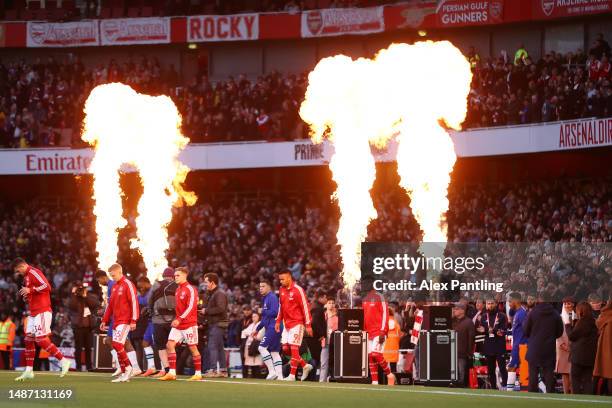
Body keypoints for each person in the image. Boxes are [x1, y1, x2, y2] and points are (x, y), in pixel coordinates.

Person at [13, 258, 71, 381]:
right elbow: (33, 293)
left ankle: (64, 361)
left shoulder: (34, 272)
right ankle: (29, 370)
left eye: (19, 270)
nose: (19, 273)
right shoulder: (26, 277)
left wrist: (31, 290)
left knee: (40, 340)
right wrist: (27, 297)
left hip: (42, 311)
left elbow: (47, 286)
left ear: (23, 266)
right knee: (28, 339)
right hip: (33, 312)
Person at [95, 270, 142, 378]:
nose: (99, 283)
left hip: (122, 319)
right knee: (117, 342)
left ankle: (129, 368)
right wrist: (104, 319)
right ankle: (129, 368)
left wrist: (133, 320)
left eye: (99, 280)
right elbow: (111, 305)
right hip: (115, 319)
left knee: (118, 343)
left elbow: (133, 302)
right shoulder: (114, 285)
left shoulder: (119, 285)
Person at [158, 267, 202, 381]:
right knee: (169, 345)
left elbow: (191, 307)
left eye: (177, 275)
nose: (175, 277)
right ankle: (172, 373)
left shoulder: (191, 289)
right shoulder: (178, 289)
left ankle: (198, 373)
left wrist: (180, 319)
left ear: (184, 275)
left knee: (192, 348)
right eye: (175, 275)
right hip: (179, 323)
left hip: (189, 324)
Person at [275, 269, 313, 381]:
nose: (281, 281)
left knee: (294, 348)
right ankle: (305, 366)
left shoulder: (298, 290)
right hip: (286, 324)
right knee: (286, 349)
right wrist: (278, 321)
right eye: (280, 279)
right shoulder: (281, 290)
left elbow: (305, 307)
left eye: (283, 279)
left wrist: (308, 324)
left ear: (289, 277)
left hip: (297, 323)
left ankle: (292, 376)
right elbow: (281, 307)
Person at [523, 300, 564, 393]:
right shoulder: (555, 314)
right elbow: (560, 332)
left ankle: (532, 398)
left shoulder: (533, 312)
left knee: (533, 374)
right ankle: (550, 397)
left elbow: (525, 330)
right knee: (549, 374)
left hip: (534, 347)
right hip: (549, 348)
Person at [362, 278, 396, 386]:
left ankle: (390, 375)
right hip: (368, 333)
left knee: (376, 354)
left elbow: (385, 315)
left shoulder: (379, 297)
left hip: (379, 332)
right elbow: (364, 317)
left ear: (372, 284)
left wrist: (383, 331)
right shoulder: (364, 299)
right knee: (371, 357)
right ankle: (375, 381)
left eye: (366, 283)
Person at [148, 267, 177, 378]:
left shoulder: (157, 285)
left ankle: (166, 369)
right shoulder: (177, 285)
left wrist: (151, 312)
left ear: (164, 275)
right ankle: (173, 369)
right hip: (174, 321)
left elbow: (150, 300)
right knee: (171, 345)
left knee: (161, 346)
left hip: (158, 320)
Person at [566, 302, 598, 394]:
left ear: (581, 311)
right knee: (587, 380)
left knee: (575, 378)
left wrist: (568, 325)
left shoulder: (583, 322)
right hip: (590, 356)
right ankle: (588, 400)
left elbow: (572, 336)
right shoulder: (593, 322)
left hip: (578, 356)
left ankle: (576, 399)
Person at [201, 272, 229, 378]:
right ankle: (222, 370)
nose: (205, 284)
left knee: (212, 346)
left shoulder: (219, 293)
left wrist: (206, 311)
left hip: (218, 323)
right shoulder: (213, 293)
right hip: (216, 323)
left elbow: (221, 308)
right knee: (219, 347)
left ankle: (212, 370)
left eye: (206, 282)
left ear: (212, 283)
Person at [476, 298, 507, 390]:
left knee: (502, 368)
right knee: (490, 369)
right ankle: (493, 388)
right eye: (488, 303)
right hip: (488, 346)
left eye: (492, 303)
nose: (490, 305)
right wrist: (490, 330)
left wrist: (489, 330)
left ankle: (505, 387)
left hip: (499, 346)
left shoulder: (502, 316)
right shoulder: (484, 317)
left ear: (496, 304)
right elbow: (480, 330)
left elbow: (502, 332)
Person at [254, 279, 283, 380]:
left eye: (263, 286)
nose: (261, 288)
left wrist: (263, 311)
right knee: (274, 352)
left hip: (274, 326)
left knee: (261, 348)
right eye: (260, 286)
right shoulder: (266, 298)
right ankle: (280, 376)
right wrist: (257, 329)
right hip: (273, 326)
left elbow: (275, 312)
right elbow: (265, 318)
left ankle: (272, 372)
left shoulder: (272, 297)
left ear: (269, 287)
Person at [68, 281, 100, 372]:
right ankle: (78, 366)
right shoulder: (74, 298)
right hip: (78, 327)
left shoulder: (89, 297)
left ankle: (89, 366)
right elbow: (71, 305)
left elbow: (95, 304)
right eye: (80, 289)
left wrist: (86, 296)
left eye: (83, 289)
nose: (81, 291)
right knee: (78, 348)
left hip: (89, 328)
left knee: (88, 348)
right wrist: (74, 294)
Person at [134, 276, 156, 377]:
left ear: (147, 283)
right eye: (139, 286)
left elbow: (153, 305)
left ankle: (166, 369)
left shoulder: (152, 292)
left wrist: (147, 308)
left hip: (154, 322)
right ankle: (150, 368)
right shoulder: (140, 296)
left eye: (142, 286)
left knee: (161, 345)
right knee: (143, 343)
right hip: (144, 324)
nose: (140, 288)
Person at [507, 292, 528, 391]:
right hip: (517, 345)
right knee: (513, 368)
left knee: (512, 368)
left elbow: (527, 330)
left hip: (521, 346)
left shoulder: (522, 313)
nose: (508, 303)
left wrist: (523, 345)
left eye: (510, 301)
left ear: (516, 301)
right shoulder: (517, 312)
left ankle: (508, 392)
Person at [452, 303, 475, 387]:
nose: (454, 310)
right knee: (454, 374)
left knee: (462, 374)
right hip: (452, 352)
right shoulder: (453, 321)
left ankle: (463, 386)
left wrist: (469, 353)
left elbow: (471, 339)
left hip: (463, 353)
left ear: (462, 311)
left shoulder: (469, 322)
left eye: (457, 309)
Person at [593, 300, 612, 395]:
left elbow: (597, 325)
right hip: (607, 348)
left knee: (606, 373)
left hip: (606, 349)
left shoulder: (605, 314)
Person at [556, 298, 574, 394]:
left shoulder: (577, 316)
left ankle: (573, 393)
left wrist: (573, 347)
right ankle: (566, 393)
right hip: (562, 347)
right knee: (565, 373)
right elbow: (557, 332)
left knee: (573, 372)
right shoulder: (560, 317)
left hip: (575, 347)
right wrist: (563, 345)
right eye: (566, 304)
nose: (568, 305)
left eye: (569, 303)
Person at [320, 298, 338, 383]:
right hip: (325, 342)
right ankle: (322, 380)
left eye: (332, 303)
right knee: (323, 363)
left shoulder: (337, 317)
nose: (331, 304)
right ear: (326, 305)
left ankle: (334, 379)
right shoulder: (323, 316)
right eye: (329, 303)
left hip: (335, 343)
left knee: (335, 362)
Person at [242, 311, 263, 378]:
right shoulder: (251, 325)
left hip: (256, 345)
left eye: (255, 316)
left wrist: (251, 334)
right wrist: (251, 333)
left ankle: (257, 377)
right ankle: (252, 376)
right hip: (249, 345)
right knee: (250, 363)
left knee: (256, 363)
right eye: (252, 317)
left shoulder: (260, 324)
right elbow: (244, 332)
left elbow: (259, 335)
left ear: (259, 317)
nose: (253, 318)